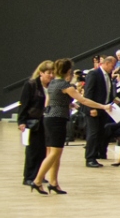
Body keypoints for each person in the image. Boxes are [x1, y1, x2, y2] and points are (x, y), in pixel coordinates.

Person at [34, 58, 113, 195]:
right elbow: (84, 100)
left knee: (54, 153)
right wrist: (103, 106)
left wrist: (69, 104)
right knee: (54, 153)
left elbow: (51, 101)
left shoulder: (53, 83)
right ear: (68, 71)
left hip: (49, 118)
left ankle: (53, 182)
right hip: (58, 120)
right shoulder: (66, 86)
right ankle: (37, 180)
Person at [18, 61, 53, 187]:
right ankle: (29, 177)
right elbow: (24, 103)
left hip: (47, 122)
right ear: (41, 73)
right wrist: (21, 121)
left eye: (53, 73)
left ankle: (39, 175)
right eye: (48, 73)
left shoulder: (52, 86)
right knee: (32, 151)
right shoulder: (31, 85)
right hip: (33, 122)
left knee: (43, 150)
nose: (51, 75)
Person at [82, 55, 118, 168]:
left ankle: (98, 153)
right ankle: (90, 158)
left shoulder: (108, 75)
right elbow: (88, 93)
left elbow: (107, 91)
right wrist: (91, 108)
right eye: (112, 66)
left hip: (104, 109)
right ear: (106, 63)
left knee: (100, 133)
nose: (113, 68)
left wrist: (113, 100)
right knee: (93, 133)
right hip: (94, 109)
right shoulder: (94, 74)